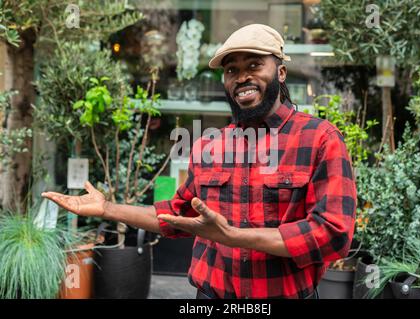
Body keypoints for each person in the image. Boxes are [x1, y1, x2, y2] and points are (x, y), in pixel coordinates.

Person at [42, 24, 356, 299]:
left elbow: (333, 234)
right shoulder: (210, 145)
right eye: (231, 70)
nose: (242, 77)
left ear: (280, 72)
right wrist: (108, 209)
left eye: (255, 65)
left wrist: (234, 237)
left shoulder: (320, 138)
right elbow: (176, 215)